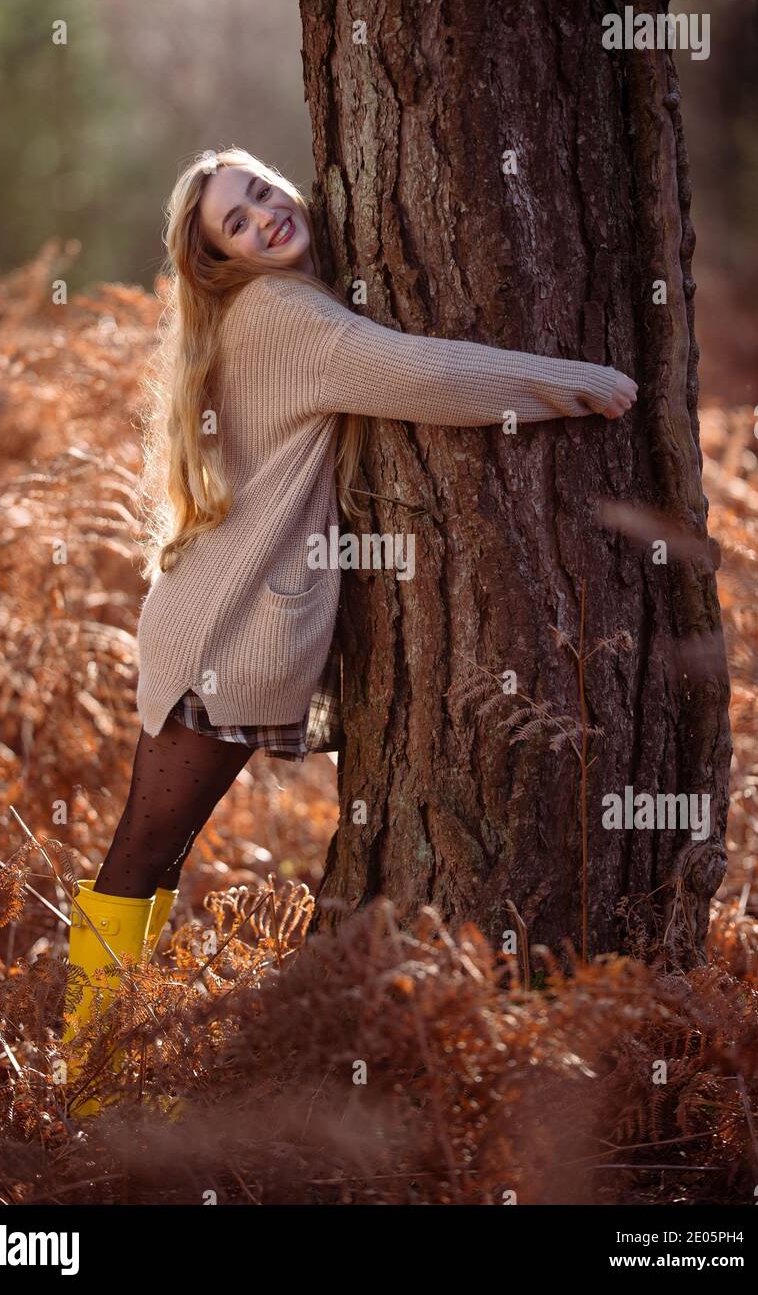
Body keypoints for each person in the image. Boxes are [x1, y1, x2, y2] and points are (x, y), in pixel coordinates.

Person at [61, 146, 637, 1108]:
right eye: (235, 227)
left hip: (210, 622)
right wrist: (584, 384)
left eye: (259, 195)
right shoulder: (283, 315)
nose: (262, 219)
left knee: (150, 855)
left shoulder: (270, 308)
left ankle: (105, 1073)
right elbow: (422, 374)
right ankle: (88, 1085)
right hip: (217, 636)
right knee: (142, 855)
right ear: (223, 260)